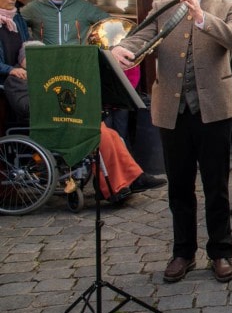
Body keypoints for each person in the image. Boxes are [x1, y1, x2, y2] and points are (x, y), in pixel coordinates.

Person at [112, 0, 232, 284]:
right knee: (179, 187)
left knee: (216, 186)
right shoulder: (163, 7)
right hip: (173, 110)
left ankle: (221, 252)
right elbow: (141, 37)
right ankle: (183, 252)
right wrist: (123, 48)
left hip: (214, 109)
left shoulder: (228, 7)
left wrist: (201, 17)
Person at [5, 41, 165, 200]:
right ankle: (111, 187)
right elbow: (24, 107)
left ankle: (133, 177)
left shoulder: (48, 75)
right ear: (23, 60)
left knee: (111, 135)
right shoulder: (16, 80)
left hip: (65, 122)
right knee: (100, 136)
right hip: (44, 127)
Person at [0, 0, 29, 84]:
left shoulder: (17, 18)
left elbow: (26, 42)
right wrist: (10, 70)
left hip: (18, 79)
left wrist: (25, 58)